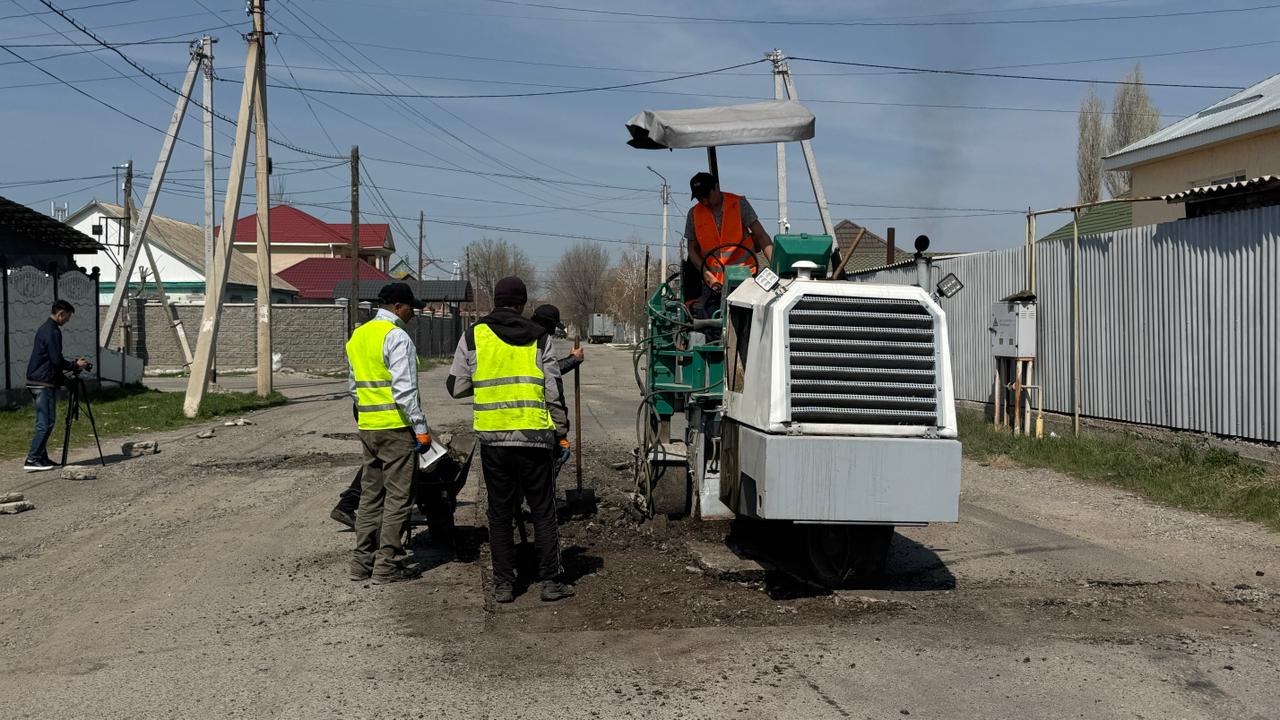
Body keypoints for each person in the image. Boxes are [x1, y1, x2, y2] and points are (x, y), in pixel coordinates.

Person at [446, 277, 574, 604]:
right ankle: (550, 583)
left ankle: (504, 584)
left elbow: (457, 386)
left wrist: (487, 381)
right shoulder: (539, 337)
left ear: (495, 301)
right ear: (522, 303)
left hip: (494, 439)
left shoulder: (474, 334)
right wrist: (561, 432)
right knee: (543, 510)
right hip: (534, 436)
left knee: (500, 512)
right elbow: (552, 391)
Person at [346, 282, 434, 584]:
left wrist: (366, 415)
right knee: (398, 497)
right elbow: (404, 389)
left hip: (368, 428)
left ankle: (362, 562)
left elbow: (353, 387)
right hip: (396, 429)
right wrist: (421, 430)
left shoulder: (359, 335)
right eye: (411, 308)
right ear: (397, 306)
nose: (413, 313)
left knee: (371, 496)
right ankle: (389, 564)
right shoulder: (397, 337)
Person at [684, 172, 774, 319]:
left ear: (717, 187)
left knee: (756, 317)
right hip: (714, 284)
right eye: (700, 197)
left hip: (746, 280)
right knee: (709, 317)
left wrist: (777, 267)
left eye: (706, 195)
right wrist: (708, 276)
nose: (704, 201)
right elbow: (692, 250)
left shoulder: (738, 204)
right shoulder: (694, 214)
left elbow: (762, 236)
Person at [24, 299, 89, 472]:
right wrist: (75, 365)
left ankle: (42, 458)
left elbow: (52, 359)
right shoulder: (52, 331)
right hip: (43, 382)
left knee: (43, 421)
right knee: (46, 423)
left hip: (37, 380)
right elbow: (56, 360)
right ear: (60, 314)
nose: (68, 320)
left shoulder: (45, 328)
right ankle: (33, 458)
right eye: (67, 317)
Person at [531, 304, 585, 376]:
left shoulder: (530, 336)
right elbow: (550, 371)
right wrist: (573, 359)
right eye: (552, 326)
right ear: (545, 323)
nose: (553, 332)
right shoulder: (534, 341)